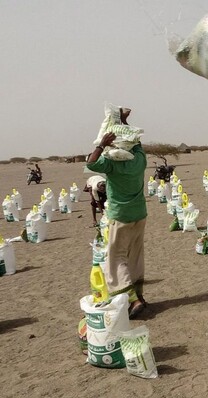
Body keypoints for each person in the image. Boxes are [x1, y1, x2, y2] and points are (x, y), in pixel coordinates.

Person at [86, 107, 148, 318]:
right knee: (135, 254)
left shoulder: (112, 164)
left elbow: (91, 163)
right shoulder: (140, 160)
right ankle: (139, 293)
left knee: (117, 257)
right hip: (140, 214)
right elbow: (136, 142)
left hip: (120, 215)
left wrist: (101, 144)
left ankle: (131, 299)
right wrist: (123, 121)